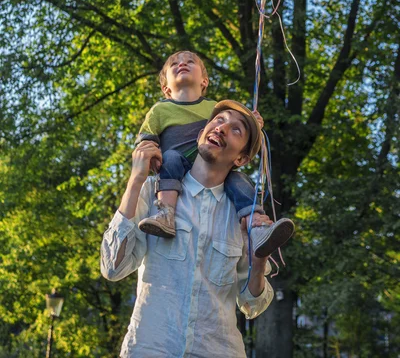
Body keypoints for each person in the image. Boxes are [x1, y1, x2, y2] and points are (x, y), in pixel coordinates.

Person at [101, 101, 276, 358]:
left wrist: (258, 260)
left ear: (241, 158)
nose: (222, 128)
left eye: (236, 130)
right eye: (218, 121)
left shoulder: (246, 218)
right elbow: (113, 268)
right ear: (200, 135)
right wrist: (135, 179)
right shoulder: (152, 192)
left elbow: (251, 306)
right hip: (150, 349)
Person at [135, 50, 294, 257]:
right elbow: (146, 137)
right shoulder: (159, 110)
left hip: (208, 167)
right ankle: (165, 213)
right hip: (174, 165)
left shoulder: (214, 108)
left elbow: (232, 127)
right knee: (172, 157)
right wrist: (151, 154)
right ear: (166, 88)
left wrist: (252, 121)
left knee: (238, 180)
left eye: (190, 62)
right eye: (174, 64)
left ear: (204, 81)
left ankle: (256, 225)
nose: (182, 64)